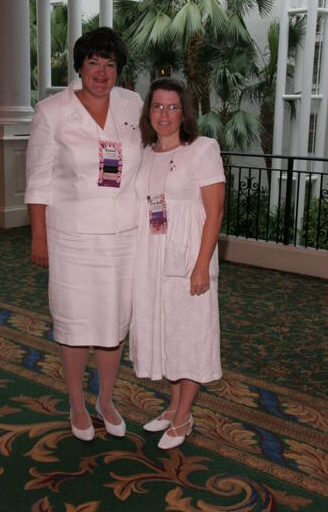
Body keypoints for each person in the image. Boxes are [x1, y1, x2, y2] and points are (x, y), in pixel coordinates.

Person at [25, 27, 143, 441]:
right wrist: (38, 237)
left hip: (123, 238)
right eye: (93, 61)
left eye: (110, 64)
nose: (101, 71)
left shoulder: (133, 104)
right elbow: (38, 180)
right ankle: (76, 401)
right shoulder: (52, 111)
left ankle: (105, 399)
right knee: (75, 324)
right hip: (71, 238)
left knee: (112, 325)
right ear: (79, 66)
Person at [130, 77, 225, 449]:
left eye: (172, 107)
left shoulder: (203, 149)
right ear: (148, 112)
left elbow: (214, 213)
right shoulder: (146, 151)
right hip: (152, 258)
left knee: (189, 335)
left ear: (184, 112)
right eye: (157, 106)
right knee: (166, 332)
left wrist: (201, 265)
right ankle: (172, 406)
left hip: (188, 259)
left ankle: (185, 416)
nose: (164, 114)